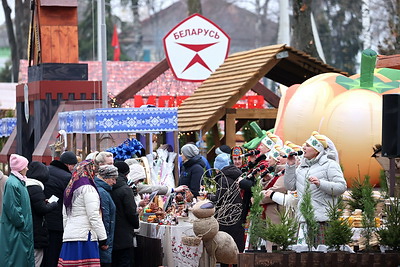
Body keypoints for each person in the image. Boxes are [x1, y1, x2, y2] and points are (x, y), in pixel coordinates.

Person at [284, 131, 347, 245]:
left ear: (317, 150)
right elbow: (290, 186)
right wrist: (290, 166)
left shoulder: (330, 165)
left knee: (321, 257)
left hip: (322, 220)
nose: (303, 147)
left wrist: (321, 183)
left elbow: (341, 187)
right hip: (303, 218)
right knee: (304, 257)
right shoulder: (301, 167)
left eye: (308, 145)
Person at [58, 160, 107, 266]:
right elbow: (94, 215)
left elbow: (65, 215)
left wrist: (67, 232)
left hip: (70, 236)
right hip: (85, 236)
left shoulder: (69, 189)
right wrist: (103, 237)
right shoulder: (89, 189)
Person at [43, 150, 77, 267]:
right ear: (68, 164)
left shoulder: (45, 169)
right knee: (54, 253)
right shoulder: (67, 177)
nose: (73, 168)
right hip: (58, 220)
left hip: (42, 218)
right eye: (73, 166)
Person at [0, 154, 34, 266]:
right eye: (26, 166)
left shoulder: (16, 182)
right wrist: (22, 225)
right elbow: (13, 209)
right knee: (17, 260)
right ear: (20, 168)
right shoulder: (13, 183)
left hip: (19, 231)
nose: (27, 169)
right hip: (17, 232)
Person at [209, 153, 244, 260]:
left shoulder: (223, 179)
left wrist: (209, 196)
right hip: (236, 215)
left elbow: (220, 199)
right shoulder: (234, 175)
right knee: (236, 247)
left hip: (226, 217)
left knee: (225, 248)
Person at [26, 161, 58, 267]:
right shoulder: (35, 187)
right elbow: (41, 208)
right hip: (36, 230)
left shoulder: (25, 185)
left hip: (29, 228)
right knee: (36, 260)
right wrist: (53, 204)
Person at [112, 161, 139, 267]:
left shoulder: (108, 187)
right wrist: (136, 223)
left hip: (111, 234)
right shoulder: (125, 189)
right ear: (127, 173)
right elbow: (131, 212)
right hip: (124, 234)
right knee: (125, 261)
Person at [95, 165, 118, 267]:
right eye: (113, 179)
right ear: (105, 178)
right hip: (103, 242)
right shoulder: (103, 193)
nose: (114, 182)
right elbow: (105, 218)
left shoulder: (102, 190)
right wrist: (105, 241)